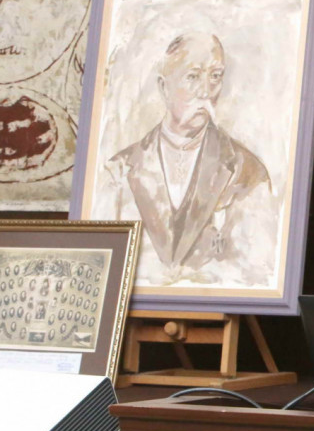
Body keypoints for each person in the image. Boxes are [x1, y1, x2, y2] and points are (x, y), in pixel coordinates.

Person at [102, 31, 276, 287]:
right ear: (164, 87)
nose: (206, 91)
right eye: (193, 76)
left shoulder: (248, 172)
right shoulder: (118, 171)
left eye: (215, 76)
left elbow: (258, 273)